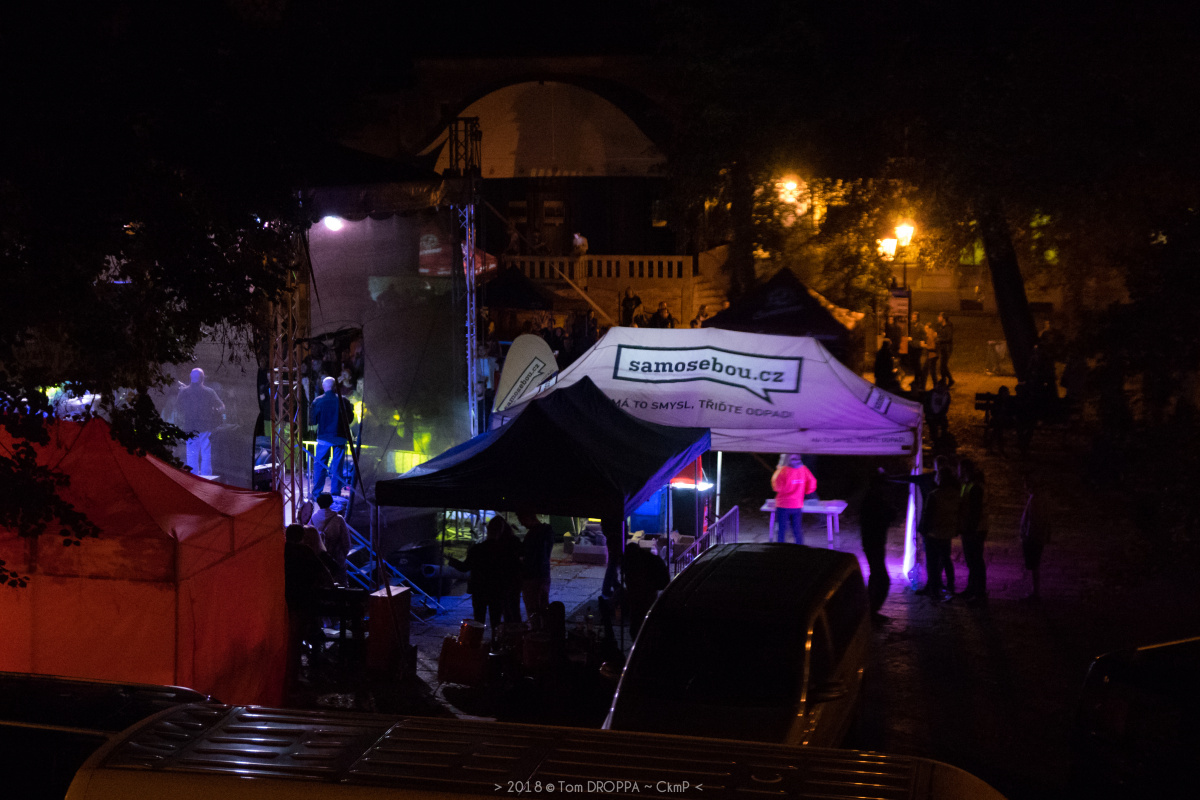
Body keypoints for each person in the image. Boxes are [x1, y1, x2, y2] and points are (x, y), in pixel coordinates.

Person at [448, 515, 523, 634]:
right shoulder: (505, 550)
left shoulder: (477, 549)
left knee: (478, 620)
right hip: (497, 589)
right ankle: (495, 641)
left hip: (479, 589)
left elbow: (465, 567)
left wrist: (452, 561)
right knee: (496, 621)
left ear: (488, 530)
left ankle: (476, 642)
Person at [284, 523, 334, 692]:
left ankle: (287, 675)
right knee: (296, 639)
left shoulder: (281, 551)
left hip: (283, 600)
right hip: (302, 600)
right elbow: (325, 572)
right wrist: (331, 588)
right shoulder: (305, 551)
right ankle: (294, 676)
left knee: (286, 639)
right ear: (301, 537)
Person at [916, 466, 961, 601]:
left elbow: (928, 515)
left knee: (932, 563)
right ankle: (950, 588)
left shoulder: (934, 495)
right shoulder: (955, 494)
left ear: (939, 478)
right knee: (946, 560)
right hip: (947, 532)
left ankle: (934, 591)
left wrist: (923, 530)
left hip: (934, 533)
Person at [859, 468, 898, 614]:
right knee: (881, 578)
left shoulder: (872, 498)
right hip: (874, 541)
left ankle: (870, 610)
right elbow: (888, 516)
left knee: (876, 574)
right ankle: (871, 610)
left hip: (873, 541)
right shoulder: (875, 500)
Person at [311, 376, 354, 497]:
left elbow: (313, 420)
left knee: (320, 465)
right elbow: (350, 419)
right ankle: (335, 493)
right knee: (337, 466)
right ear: (335, 387)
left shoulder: (318, 401)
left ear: (323, 387)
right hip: (340, 437)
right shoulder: (343, 400)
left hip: (323, 438)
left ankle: (317, 493)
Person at [177, 368, 225, 475]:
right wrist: (215, 412)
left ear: (191, 377)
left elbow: (178, 407)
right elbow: (221, 406)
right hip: (206, 427)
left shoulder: (184, 391)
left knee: (191, 455)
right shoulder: (209, 392)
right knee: (206, 454)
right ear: (203, 378)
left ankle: (193, 477)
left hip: (190, 427)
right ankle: (206, 477)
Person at [622, 543, 670, 638]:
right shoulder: (648, 559)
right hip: (645, 595)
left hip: (644, 596)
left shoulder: (639, 563)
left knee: (639, 624)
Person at [957, 459, 988, 605]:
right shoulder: (968, 485)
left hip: (975, 529)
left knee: (975, 561)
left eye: (960, 468)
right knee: (971, 561)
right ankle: (971, 589)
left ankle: (979, 593)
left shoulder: (975, 487)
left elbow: (975, 512)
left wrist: (970, 530)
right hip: (970, 528)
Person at [771, 453, 818, 545]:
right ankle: (800, 549)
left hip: (783, 505)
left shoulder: (783, 470)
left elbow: (776, 487)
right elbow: (812, 482)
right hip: (797, 505)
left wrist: (778, 470)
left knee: (782, 530)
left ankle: (780, 550)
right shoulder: (803, 469)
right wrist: (806, 491)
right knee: (797, 530)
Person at [516, 510, 554, 619]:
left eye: (522, 520)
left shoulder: (533, 535)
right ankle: (545, 628)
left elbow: (530, 557)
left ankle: (537, 629)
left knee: (533, 610)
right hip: (544, 574)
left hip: (531, 578)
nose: (522, 524)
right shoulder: (547, 531)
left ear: (528, 517)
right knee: (543, 607)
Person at [1019, 473, 1050, 600]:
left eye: (1025, 483)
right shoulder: (1037, 497)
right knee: (1034, 564)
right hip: (1036, 536)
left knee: (1034, 564)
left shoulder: (1036, 499)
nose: (1024, 486)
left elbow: (1034, 521)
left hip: (1033, 537)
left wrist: (1027, 536)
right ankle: (1035, 591)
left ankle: (1035, 592)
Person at [310, 492, 351, 586]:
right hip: (337, 557)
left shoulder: (313, 517)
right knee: (341, 584)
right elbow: (346, 540)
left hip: (321, 558)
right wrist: (343, 554)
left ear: (318, 503)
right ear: (331, 502)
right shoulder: (338, 518)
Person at [935, 312, 955, 386]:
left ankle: (949, 380)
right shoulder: (940, 326)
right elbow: (939, 334)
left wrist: (940, 340)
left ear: (943, 318)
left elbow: (949, 338)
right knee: (942, 365)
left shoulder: (948, 327)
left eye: (939, 316)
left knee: (943, 365)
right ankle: (944, 380)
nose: (938, 318)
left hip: (947, 348)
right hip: (942, 348)